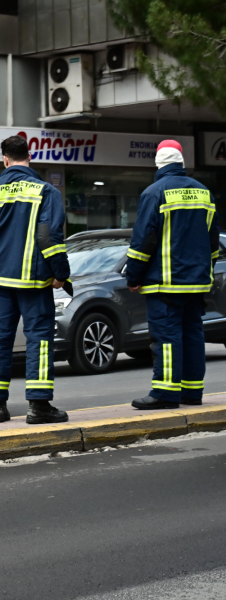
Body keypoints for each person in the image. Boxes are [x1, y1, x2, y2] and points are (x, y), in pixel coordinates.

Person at [0, 135, 71, 424]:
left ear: (5, 160)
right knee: (39, 341)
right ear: (29, 157)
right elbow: (49, 237)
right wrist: (61, 273)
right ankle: (38, 406)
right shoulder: (46, 192)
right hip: (33, 283)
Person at [126, 140, 219, 410]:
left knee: (166, 337)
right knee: (192, 334)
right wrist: (205, 273)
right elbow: (212, 241)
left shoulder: (154, 193)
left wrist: (134, 276)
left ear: (158, 164)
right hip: (197, 283)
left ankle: (165, 393)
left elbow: (144, 240)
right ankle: (192, 391)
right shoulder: (204, 193)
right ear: (181, 161)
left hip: (165, 282)